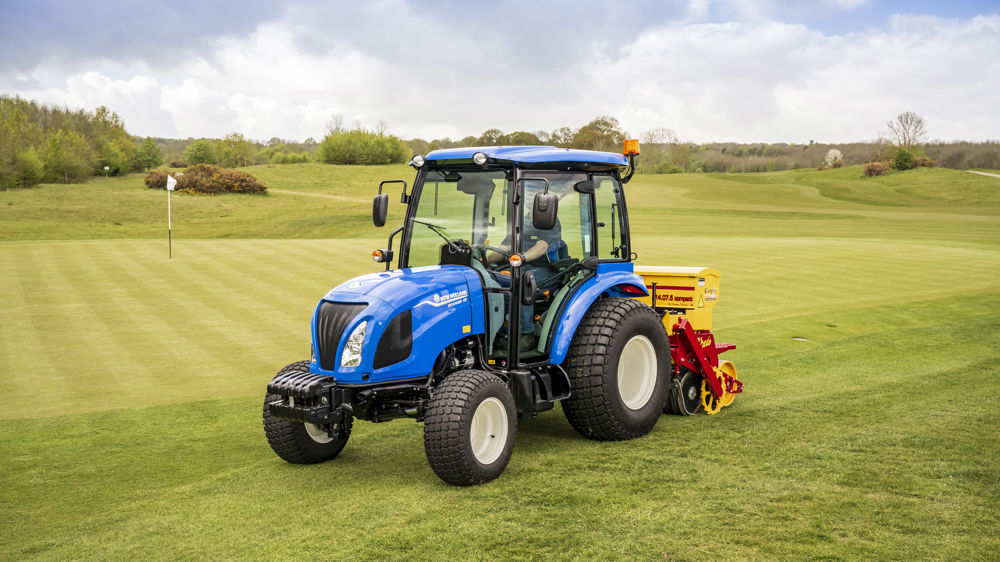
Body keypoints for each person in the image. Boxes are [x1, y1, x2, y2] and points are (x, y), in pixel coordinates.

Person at [485, 182, 562, 349]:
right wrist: (485, 258)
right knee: (488, 279)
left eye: (533, 193)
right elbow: (505, 248)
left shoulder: (550, 222)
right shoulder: (521, 221)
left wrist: (522, 257)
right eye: (527, 192)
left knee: (522, 282)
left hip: (548, 270)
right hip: (521, 265)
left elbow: (542, 246)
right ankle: (499, 329)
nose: (529, 196)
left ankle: (526, 334)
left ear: (542, 201)